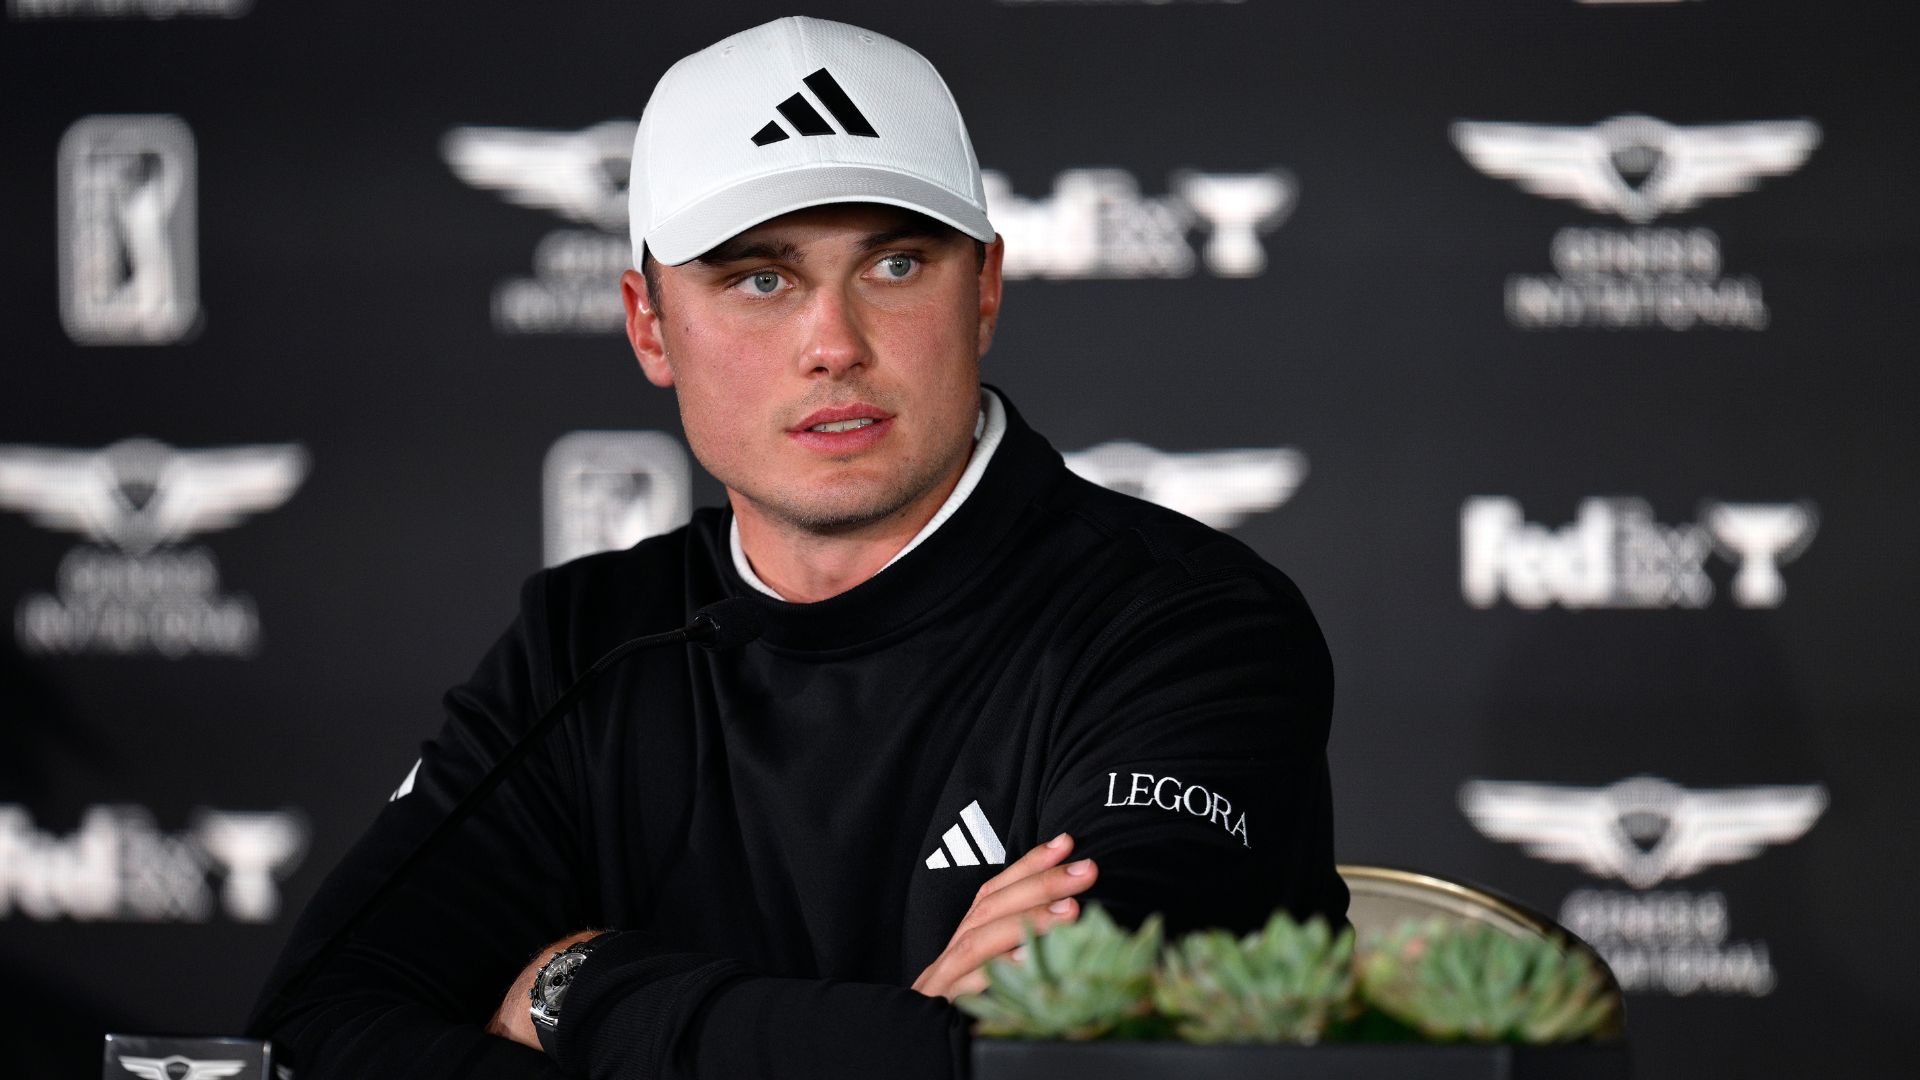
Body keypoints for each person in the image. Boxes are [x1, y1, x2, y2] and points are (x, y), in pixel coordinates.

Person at [252, 16, 1344, 1078]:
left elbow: (1055, 1059)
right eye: (760, 279)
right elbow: (312, 1028)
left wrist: (581, 993)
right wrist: (899, 1040)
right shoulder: (587, 642)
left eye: (895, 265)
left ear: (984, 290)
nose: (833, 345)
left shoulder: (1187, 626)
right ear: (649, 325)